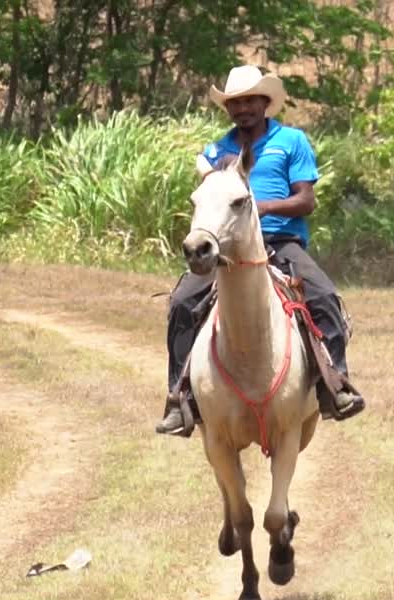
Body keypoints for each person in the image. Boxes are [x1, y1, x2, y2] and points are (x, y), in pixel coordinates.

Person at [156, 64, 365, 435]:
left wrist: (259, 207)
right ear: (228, 109)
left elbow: (306, 201)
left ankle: (335, 384)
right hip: (229, 248)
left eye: (251, 101)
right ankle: (181, 397)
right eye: (235, 103)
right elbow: (211, 199)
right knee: (183, 304)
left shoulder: (292, 142)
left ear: (266, 103)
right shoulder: (217, 151)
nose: (243, 109)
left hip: (280, 241)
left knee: (324, 295)